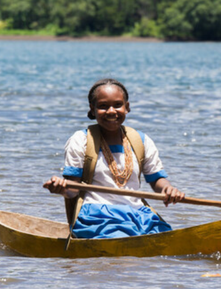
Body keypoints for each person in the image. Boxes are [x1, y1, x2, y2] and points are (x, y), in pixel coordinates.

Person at [43, 78, 185, 238]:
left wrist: (168, 189)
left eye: (117, 105)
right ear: (92, 109)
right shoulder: (81, 140)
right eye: (103, 106)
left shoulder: (141, 140)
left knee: (168, 237)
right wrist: (62, 188)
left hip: (139, 213)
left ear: (127, 107)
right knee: (121, 245)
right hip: (97, 217)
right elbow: (73, 189)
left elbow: (156, 179)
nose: (111, 111)